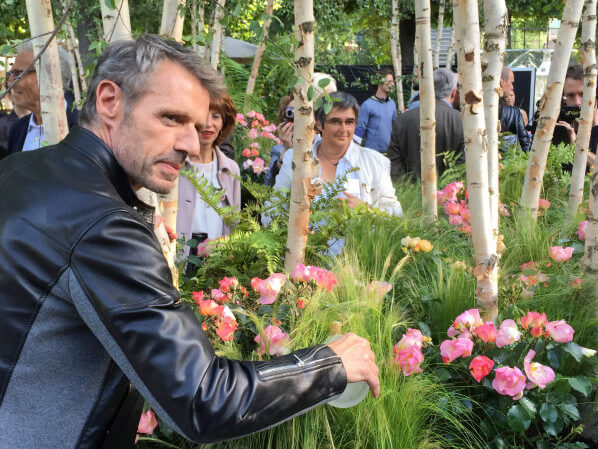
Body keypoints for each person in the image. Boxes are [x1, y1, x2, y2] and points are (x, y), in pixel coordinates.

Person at [0, 35, 380, 449]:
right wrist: (330, 364)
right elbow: (202, 397)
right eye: (171, 118)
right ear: (110, 100)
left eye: (197, 127)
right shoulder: (104, 225)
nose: (190, 143)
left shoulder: (18, 169)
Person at [274, 91, 402, 217]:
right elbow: (273, 207)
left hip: (356, 237)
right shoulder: (295, 158)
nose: (343, 129)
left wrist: (366, 210)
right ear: (319, 124)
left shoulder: (375, 162)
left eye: (349, 122)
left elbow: (395, 212)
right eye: (335, 121)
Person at [177, 90, 241, 258]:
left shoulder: (230, 169)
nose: (208, 123)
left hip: (217, 260)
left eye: (216, 116)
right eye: (202, 114)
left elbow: (235, 223)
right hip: (180, 256)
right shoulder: (175, 164)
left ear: (224, 123)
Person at [387, 68, 465, 180]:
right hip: (452, 194)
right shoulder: (461, 121)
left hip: (409, 194)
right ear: (453, 93)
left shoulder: (402, 120)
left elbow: (394, 167)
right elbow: (464, 164)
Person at [6, 42, 79, 156]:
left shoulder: (82, 127)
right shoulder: (18, 129)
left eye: (18, 74)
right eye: (10, 74)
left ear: (51, 75)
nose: (10, 82)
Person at [354, 67, 397, 153]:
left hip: (388, 155)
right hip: (371, 154)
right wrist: (354, 151)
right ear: (379, 82)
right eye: (389, 81)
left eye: (393, 81)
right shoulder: (367, 105)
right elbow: (359, 129)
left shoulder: (392, 104)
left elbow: (395, 129)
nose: (392, 84)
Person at [499, 66, 530, 152]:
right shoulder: (515, 113)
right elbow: (525, 144)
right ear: (502, 82)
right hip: (508, 163)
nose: (512, 87)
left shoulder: (476, 110)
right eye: (511, 82)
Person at [265, 94, 294, 186]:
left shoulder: (318, 145)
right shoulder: (278, 150)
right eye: (291, 112)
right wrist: (288, 148)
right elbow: (270, 184)